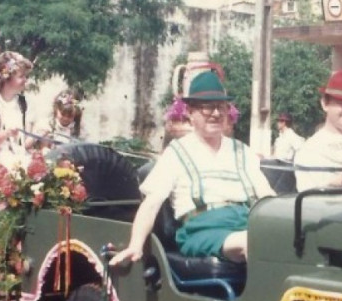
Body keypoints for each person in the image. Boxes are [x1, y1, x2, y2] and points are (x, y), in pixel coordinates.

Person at [109, 71, 274, 265]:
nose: (216, 113)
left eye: (221, 107)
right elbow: (151, 203)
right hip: (201, 229)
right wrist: (135, 245)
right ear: (190, 112)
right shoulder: (176, 153)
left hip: (246, 223)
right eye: (208, 107)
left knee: (289, 240)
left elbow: (267, 197)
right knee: (255, 242)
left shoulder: (242, 151)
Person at [0, 51, 33, 171]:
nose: (25, 80)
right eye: (21, 76)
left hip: (19, 158)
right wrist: (6, 133)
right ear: (6, 76)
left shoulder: (22, 102)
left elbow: (21, 143)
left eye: (25, 76)